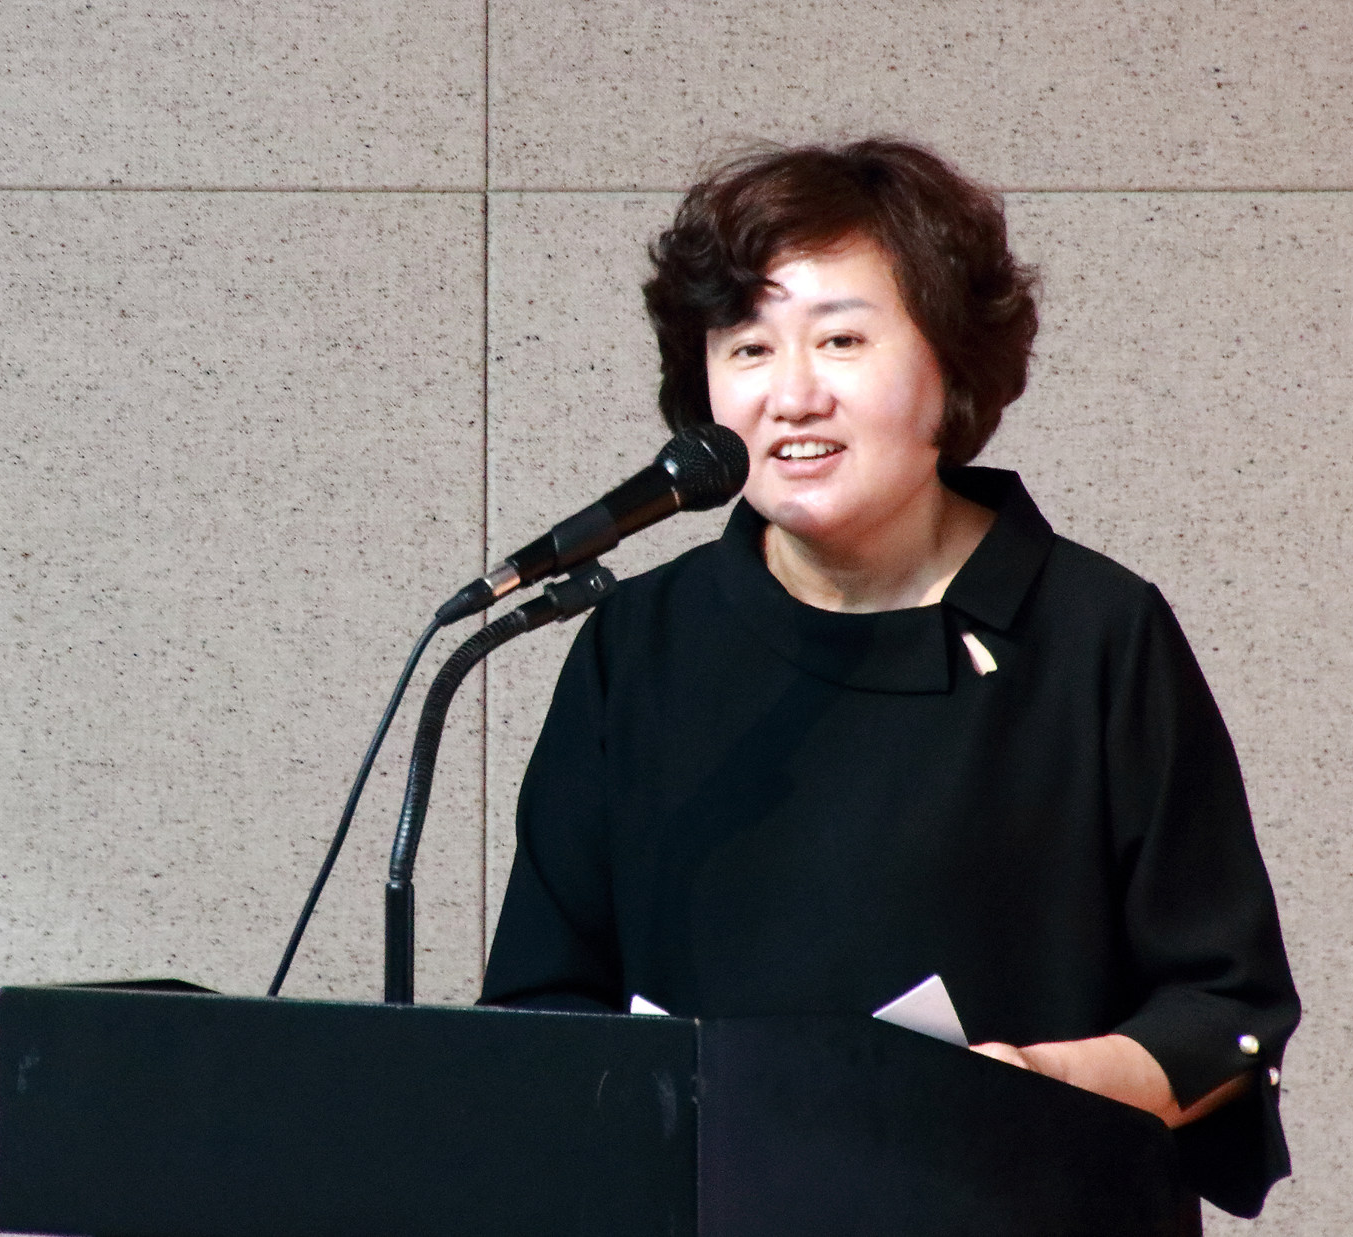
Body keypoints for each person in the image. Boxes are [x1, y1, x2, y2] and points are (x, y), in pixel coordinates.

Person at [478, 139, 1300, 1219]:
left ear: (950, 365)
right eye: (749, 347)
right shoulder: (640, 643)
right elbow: (540, 1008)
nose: (792, 394)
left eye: (842, 339)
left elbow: (1222, 1007)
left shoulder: (1093, 632)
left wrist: (1043, 1082)